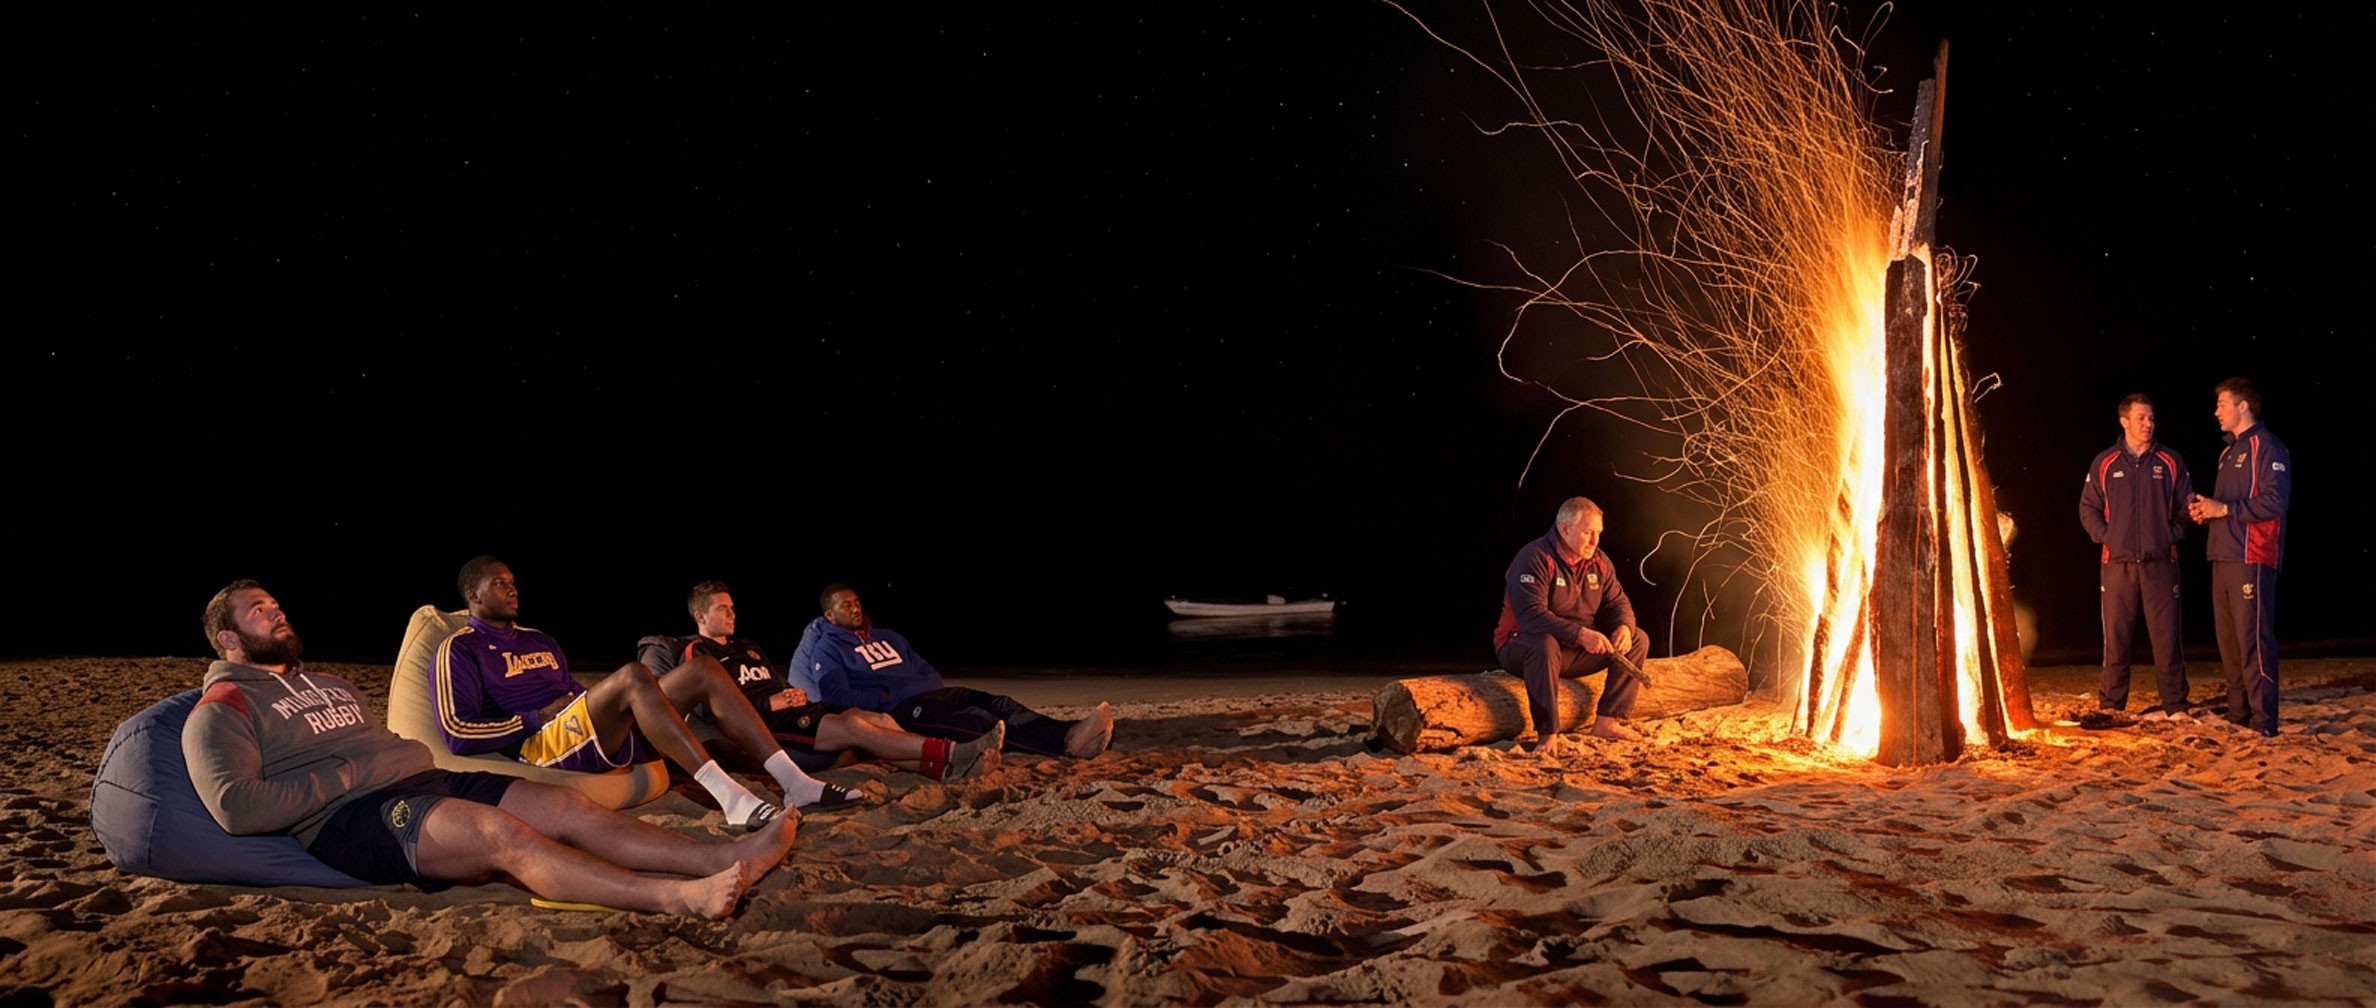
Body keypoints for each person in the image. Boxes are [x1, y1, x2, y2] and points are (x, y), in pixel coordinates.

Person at [185, 580, 794, 918]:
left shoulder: (331, 684)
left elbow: (394, 749)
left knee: (570, 811)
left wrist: (390, 758)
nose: (278, 612)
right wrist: (351, 773)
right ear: (229, 639)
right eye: (259, 612)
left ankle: (718, 857)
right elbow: (238, 808)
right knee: (504, 834)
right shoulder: (224, 708)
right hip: (350, 818)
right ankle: (673, 897)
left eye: (276, 604)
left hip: (413, 780)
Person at [431, 556, 863, 833]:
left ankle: (795, 783)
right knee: (636, 676)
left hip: (583, 728)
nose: (513, 589)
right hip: (541, 743)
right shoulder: (460, 647)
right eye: (500, 584)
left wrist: (605, 703)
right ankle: (731, 799)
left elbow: (576, 695)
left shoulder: (540, 641)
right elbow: (456, 732)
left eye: (512, 582)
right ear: (473, 594)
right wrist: (537, 717)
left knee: (703, 669)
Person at [640, 580, 1004, 781]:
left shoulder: (749, 647)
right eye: (723, 609)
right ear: (701, 615)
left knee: (875, 719)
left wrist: (790, 694)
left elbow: (774, 682)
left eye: (733, 607)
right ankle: (955, 753)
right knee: (854, 726)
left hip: (789, 710)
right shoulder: (695, 653)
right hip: (760, 723)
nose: (733, 613)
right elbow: (709, 709)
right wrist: (770, 704)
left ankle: (937, 767)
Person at [789, 584, 1114, 759]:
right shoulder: (828, 648)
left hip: (932, 692)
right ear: (829, 615)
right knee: (977, 723)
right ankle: (1061, 750)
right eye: (845, 605)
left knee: (1000, 704)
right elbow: (834, 694)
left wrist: (919, 683)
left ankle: (1068, 732)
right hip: (902, 709)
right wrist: (885, 697)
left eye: (856, 601)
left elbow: (928, 670)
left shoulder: (889, 636)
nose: (855, 608)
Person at [1492, 496, 1651, 743]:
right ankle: (1548, 734)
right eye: (1588, 532)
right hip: (1521, 646)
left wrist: (1624, 627)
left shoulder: (1599, 561)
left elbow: (1617, 602)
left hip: (1572, 651)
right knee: (1542, 643)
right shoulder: (1534, 557)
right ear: (1565, 529)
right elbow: (1531, 616)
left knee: (1638, 638)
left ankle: (1607, 721)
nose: (1595, 541)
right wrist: (1581, 634)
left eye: (1598, 533)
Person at [2078, 393, 2196, 715]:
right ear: (2124, 421)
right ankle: (2112, 705)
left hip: (2161, 563)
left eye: (2152, 418)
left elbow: (2188, 506)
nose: (2148, 424)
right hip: (2117, 565)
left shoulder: (2170, 461)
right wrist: (2108, 537)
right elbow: (2087, 507)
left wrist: (2171, 534)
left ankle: (2175, 705)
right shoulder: (2105, 462)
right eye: (2141, 418)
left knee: (2167, 638)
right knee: (2116, 639)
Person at [2186, 377, 2292, 737]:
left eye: (2222, 404)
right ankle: (2238, 714)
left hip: (2252, 556)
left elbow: (2275, 502)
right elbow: (2226, 508)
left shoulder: (2269, 447)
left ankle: (2264, 721)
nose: (2216, 411)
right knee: (2229, 642)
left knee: (2253, 640)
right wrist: (2205, 512)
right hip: (2222, 554)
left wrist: (2224, 509)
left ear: (2243, 406)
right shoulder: (2228, 451)